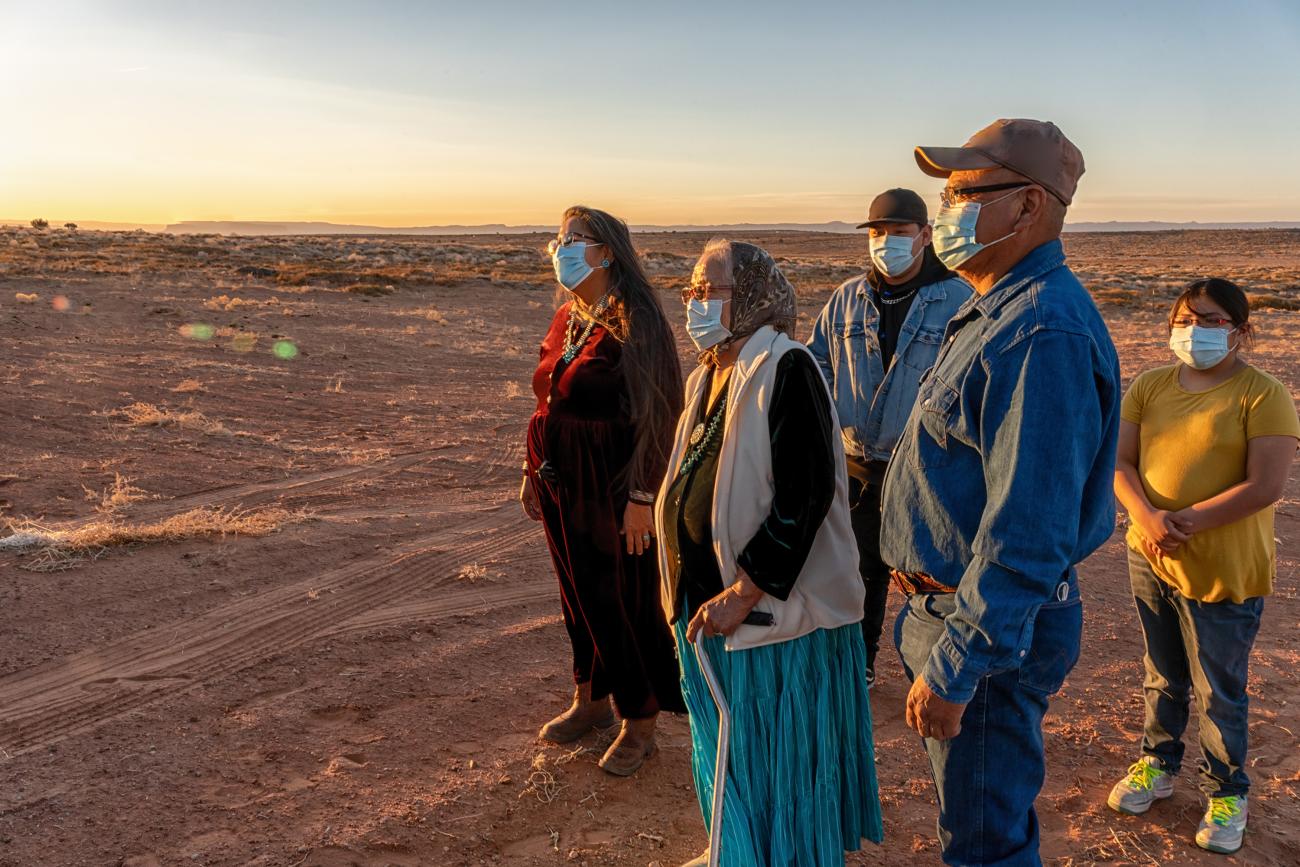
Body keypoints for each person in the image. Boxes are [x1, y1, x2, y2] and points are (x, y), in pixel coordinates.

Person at [880, 119, 1121, 865]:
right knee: (977, 824)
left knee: (985, 844)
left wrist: (959, 663)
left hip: (988, 634)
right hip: (958, 612)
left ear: (1028, 208)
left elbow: (1029, 532)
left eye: (964, 193)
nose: (946, 211)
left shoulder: (1041, 330)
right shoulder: (998, 307)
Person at [656, 239, 883, 866]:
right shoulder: (710, 374)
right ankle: (736, 849)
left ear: (751, 295)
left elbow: (803, 497)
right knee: (725, 748)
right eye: (693, 292)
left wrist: (745, 589)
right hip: (710, 610)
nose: (696, 303)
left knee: (776, 760)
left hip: (771, 619)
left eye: (710, 290)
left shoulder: (787, 366)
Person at [1106, 278, 1299, 854]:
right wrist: (1146, 517)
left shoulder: (1263, 394)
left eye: (1211, 321)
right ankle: (1158, 765)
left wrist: (1183, 520)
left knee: (1219, 688)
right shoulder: (1149, 385)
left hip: (1223, 567)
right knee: (1162, 673)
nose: (1195, 331)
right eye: (1185, 320)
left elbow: (1265, 485)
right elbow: (1119, 461)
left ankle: (1225, 791)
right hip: (1151, 557)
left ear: (1241, 331)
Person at [521, 205, 686, 776]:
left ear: (607, 251)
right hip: (560, 477)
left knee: (618, 598)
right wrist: (531, 467)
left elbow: (661, 412)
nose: (562, 248)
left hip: (610, 482)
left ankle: (639, 720)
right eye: (559, 238)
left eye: (576, 239)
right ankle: (589, 700)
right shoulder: (570, 314)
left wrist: (643, 496)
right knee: (575, 592)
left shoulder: (637, 319)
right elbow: (548, 398)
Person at [808, 188, 971, 686]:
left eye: (898, 232)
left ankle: (945, 668)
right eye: (878, 232)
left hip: (926, 462)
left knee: (931, 567)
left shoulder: (958, 299)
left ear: (925, 234)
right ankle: (860, 663)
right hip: (857, 461)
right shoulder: (846, 299)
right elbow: (816, 362)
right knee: (858, 568)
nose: (885, 242)